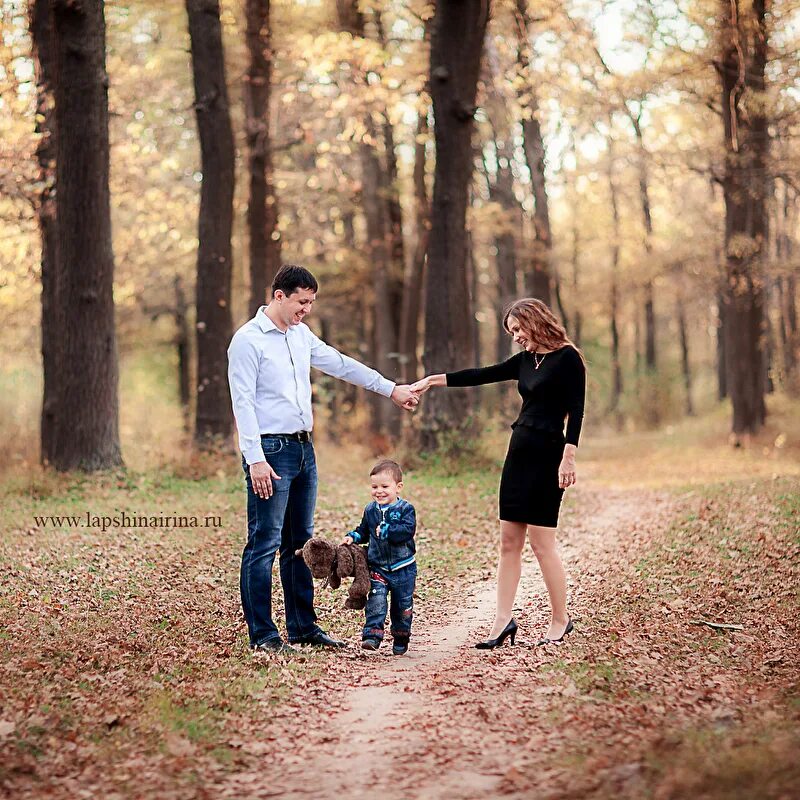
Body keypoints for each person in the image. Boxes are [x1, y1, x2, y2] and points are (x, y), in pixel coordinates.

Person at [227, 265, 419, 654]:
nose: (307, 309)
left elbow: (342, 364)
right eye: (301, 301)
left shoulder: (300, 335)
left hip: (303, 450)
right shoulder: (247, 341)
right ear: (279, 295)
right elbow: (242, 402)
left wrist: (390, 389)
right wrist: (255, 459)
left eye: (311, 302)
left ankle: (302, 627)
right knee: (264, 542)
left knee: (300, 543)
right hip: (270, 452)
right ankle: (263, 635)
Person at [411, 298, 585, 649]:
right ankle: (503, 620)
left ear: (535, 321)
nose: (516, 336)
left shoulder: (568, 358)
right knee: (509, 542)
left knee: (541, 544)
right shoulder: (525, 361)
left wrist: (568, 458)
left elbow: (577, 411)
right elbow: (481, 374)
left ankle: (560, 619)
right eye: (511, 332)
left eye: (518, 329)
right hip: (518, 454)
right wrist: (432, 381)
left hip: (549, 455)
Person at [342, 459, 417, 655]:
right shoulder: (370, 510)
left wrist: (389, 531)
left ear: (398, 487)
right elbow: (364, 531)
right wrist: (353, 536)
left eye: (385, 486)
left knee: (402, 606)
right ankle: (372, 636)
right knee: (376, 601)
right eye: (374, 487)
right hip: (378, 567)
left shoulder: (405, 509)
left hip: (403, 568)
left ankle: (401, 636)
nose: (379, 491)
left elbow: (407, 531)